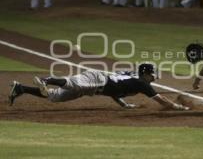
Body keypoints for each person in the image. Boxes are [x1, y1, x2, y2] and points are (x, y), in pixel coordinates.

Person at [8, 63, 189, 110]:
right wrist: (178, 107)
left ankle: (21, 88)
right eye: (153, 74)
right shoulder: (142, 84)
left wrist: (124, 105)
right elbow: (160, 99)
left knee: (55, 97)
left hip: (96, 86)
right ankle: (45, 79)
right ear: (146, 74)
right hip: (98, 79)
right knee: (73, 83)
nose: (154, 78)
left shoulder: (134, 78)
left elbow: (115, 91)